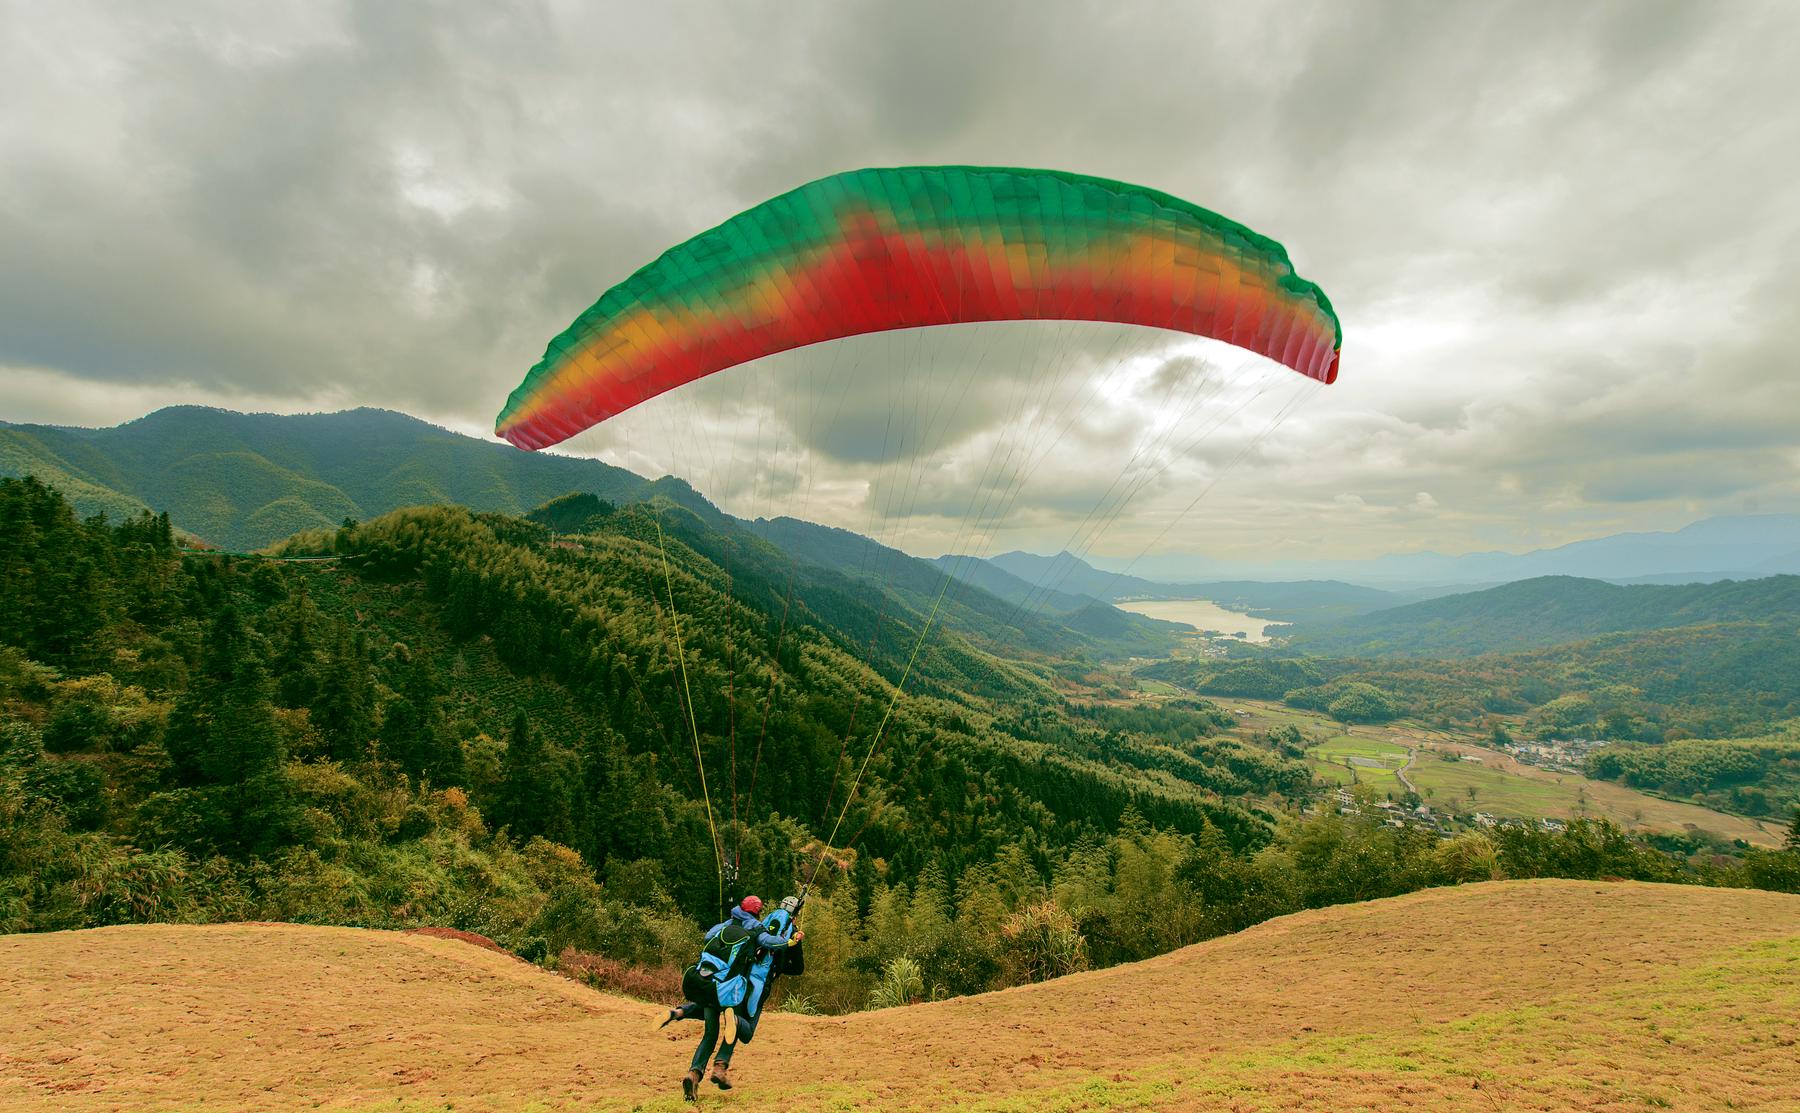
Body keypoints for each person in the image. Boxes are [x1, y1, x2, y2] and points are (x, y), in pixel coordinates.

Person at [667, 891, 802, 1096]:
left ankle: (693, 1072)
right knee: (743, 1029)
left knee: (710, 1033)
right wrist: (792, 942)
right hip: (746, 987)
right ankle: (720, 1068)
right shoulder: (760, 929)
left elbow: (708, 936)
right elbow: (794, 965)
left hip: (722, 982)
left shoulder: (733, 924)